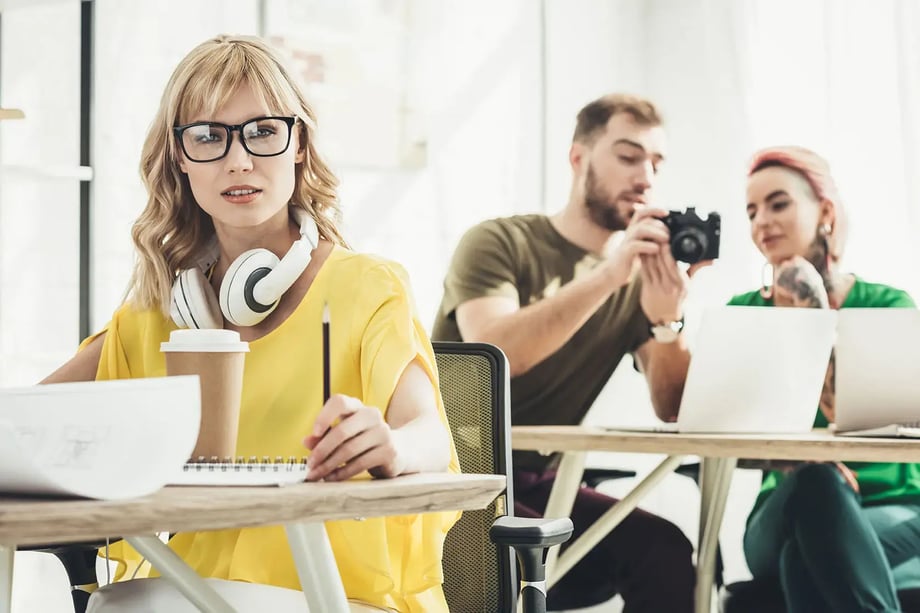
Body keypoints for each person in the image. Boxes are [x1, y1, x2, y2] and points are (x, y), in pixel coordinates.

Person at [43, 34, 458, 612]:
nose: (238, 160)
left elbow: (430, 438)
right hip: (193, 589)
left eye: (262, 131)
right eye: (209, 136)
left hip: (340, 596)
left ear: (298, 145)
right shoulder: (160, 310)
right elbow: (29, 423)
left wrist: (387, 445)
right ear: (179, 157)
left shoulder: (368, 285)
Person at [432, 94, 696, 612]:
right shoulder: (498, 242)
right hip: (458, 476)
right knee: (510, 557)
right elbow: (498, 349)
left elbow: (671, 405)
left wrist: (669, 319)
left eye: (655, 163)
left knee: (664, 551)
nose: (645, 176)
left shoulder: (637, 281)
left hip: (538, 479)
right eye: (628, 156)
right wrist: (610, 275)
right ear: (579, 158)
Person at [663, 145, 920, 612]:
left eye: (778, 203)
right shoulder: (743, 314)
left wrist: (810, 308)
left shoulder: (889, 307)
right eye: (751, 211)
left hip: (897, 508)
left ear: (824, 212)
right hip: (783, 511)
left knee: (804, 563)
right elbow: (700, 419)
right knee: (816, 484)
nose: (762, 222)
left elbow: (866, 415)